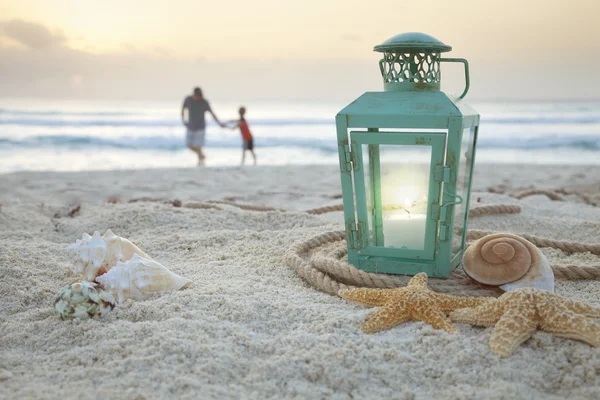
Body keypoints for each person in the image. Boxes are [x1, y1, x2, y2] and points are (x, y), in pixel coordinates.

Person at [181, 87, 225, 165]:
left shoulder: (204, 102)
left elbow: (212, 113)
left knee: (198, 146)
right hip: (190, 126)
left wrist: (219, 123)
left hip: (201, 127)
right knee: (189, 145)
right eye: (197, 96)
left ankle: (200, 161)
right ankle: (202, 156)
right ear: (193, 94)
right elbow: (183, 109)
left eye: (200, 96)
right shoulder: (188, 99)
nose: (198, 98)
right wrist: (183, 120)